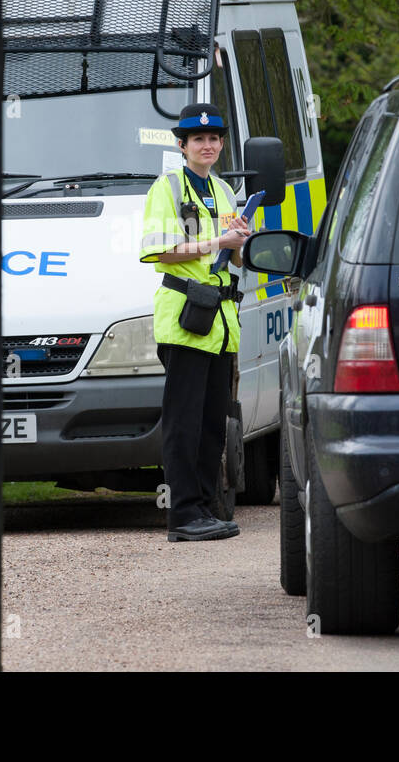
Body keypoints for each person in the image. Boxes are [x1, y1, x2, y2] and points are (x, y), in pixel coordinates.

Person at [139, 102, 252, 542]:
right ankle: (183, 514)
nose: (207, 145)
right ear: (182, 145)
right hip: (185, 319)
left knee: (210, 423)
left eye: (214, 138)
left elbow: (230, 254)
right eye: (198, 139)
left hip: (220, 322)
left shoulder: (223, 191)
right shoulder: (165, 188)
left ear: (222, 144)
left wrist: (240, 241)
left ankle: (205, 507)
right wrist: (215, 242)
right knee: (183, 423)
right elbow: (157, 251)